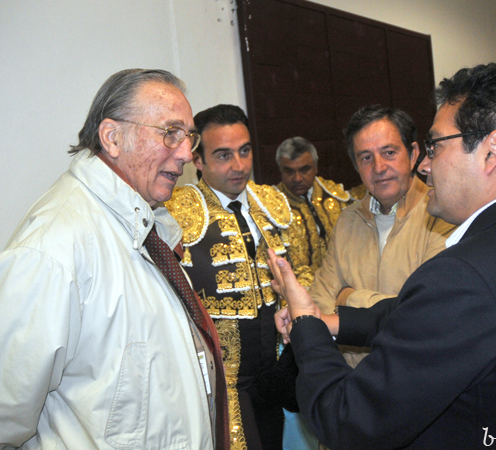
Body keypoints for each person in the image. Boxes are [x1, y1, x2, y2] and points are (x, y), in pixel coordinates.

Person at [267, 63, 496, 449]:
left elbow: (347, 419)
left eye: (436, 146)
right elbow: (416, 316)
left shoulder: (464, 274)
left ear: (492, 151)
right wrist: (328, 319)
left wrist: (306, 324)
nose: (424, 165)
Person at [0, 69, 228, 450]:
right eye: (170, 133)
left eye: (189, 136)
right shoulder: (53, 246)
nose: (187, 154)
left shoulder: (147, 225)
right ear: (112, 137)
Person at [165, 105, 303, 450]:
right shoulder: (174, 213)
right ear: (197, 159)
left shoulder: (273, 203)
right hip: (220, 382)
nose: (239, 166)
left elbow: (304, 273)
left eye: (244, 151)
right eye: (223, 155)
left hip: (279, 372)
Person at [309, 105, 455, 366]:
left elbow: (422, 314)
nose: (379, 167)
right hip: (352, 376)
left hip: (415, 374)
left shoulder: (443, 216)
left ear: (413, 154)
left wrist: (347, 298)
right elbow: (319, 302)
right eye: (366, 158)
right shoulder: (347, 221)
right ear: (356, 166)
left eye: (389, 152)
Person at [275, 136, 351, 285]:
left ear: (316, 167)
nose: (297, 178)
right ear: (280, 171)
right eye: (289, 171)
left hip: (344, 282)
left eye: (304, 170)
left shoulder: (337, 196)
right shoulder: (272, 206)